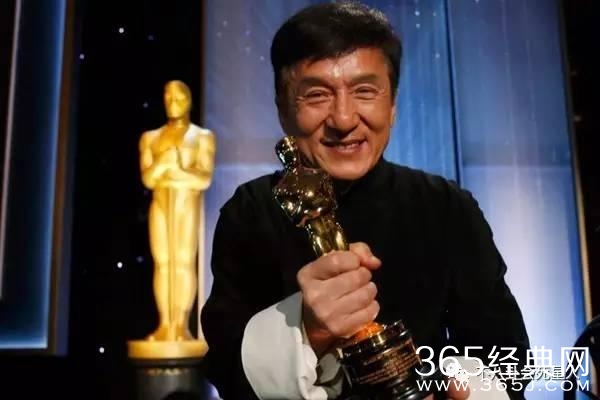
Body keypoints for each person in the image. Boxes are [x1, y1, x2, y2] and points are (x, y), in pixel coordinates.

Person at [200, 2, 530, 400]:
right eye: (317, 95)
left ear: (392, 106)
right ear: (283, 110)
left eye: (364, 91)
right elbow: (226, 366)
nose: (343, 119)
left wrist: (455, 390)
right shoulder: (250, 211)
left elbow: (507, 355)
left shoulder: (446, 206)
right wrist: (307, 329)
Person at [139, 80, 215, 343]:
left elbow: (203, 179)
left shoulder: (202, 137)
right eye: (168, 97)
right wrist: (164, 162)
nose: (173, 102)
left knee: (182, 262)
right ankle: (165, 324)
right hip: (160, 204)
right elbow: (148, 179)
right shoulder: (151, 138)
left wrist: (178, 170)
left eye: (179, 97)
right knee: (163, 263)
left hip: (185, 204)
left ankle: (181, 324)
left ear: (189, 101)